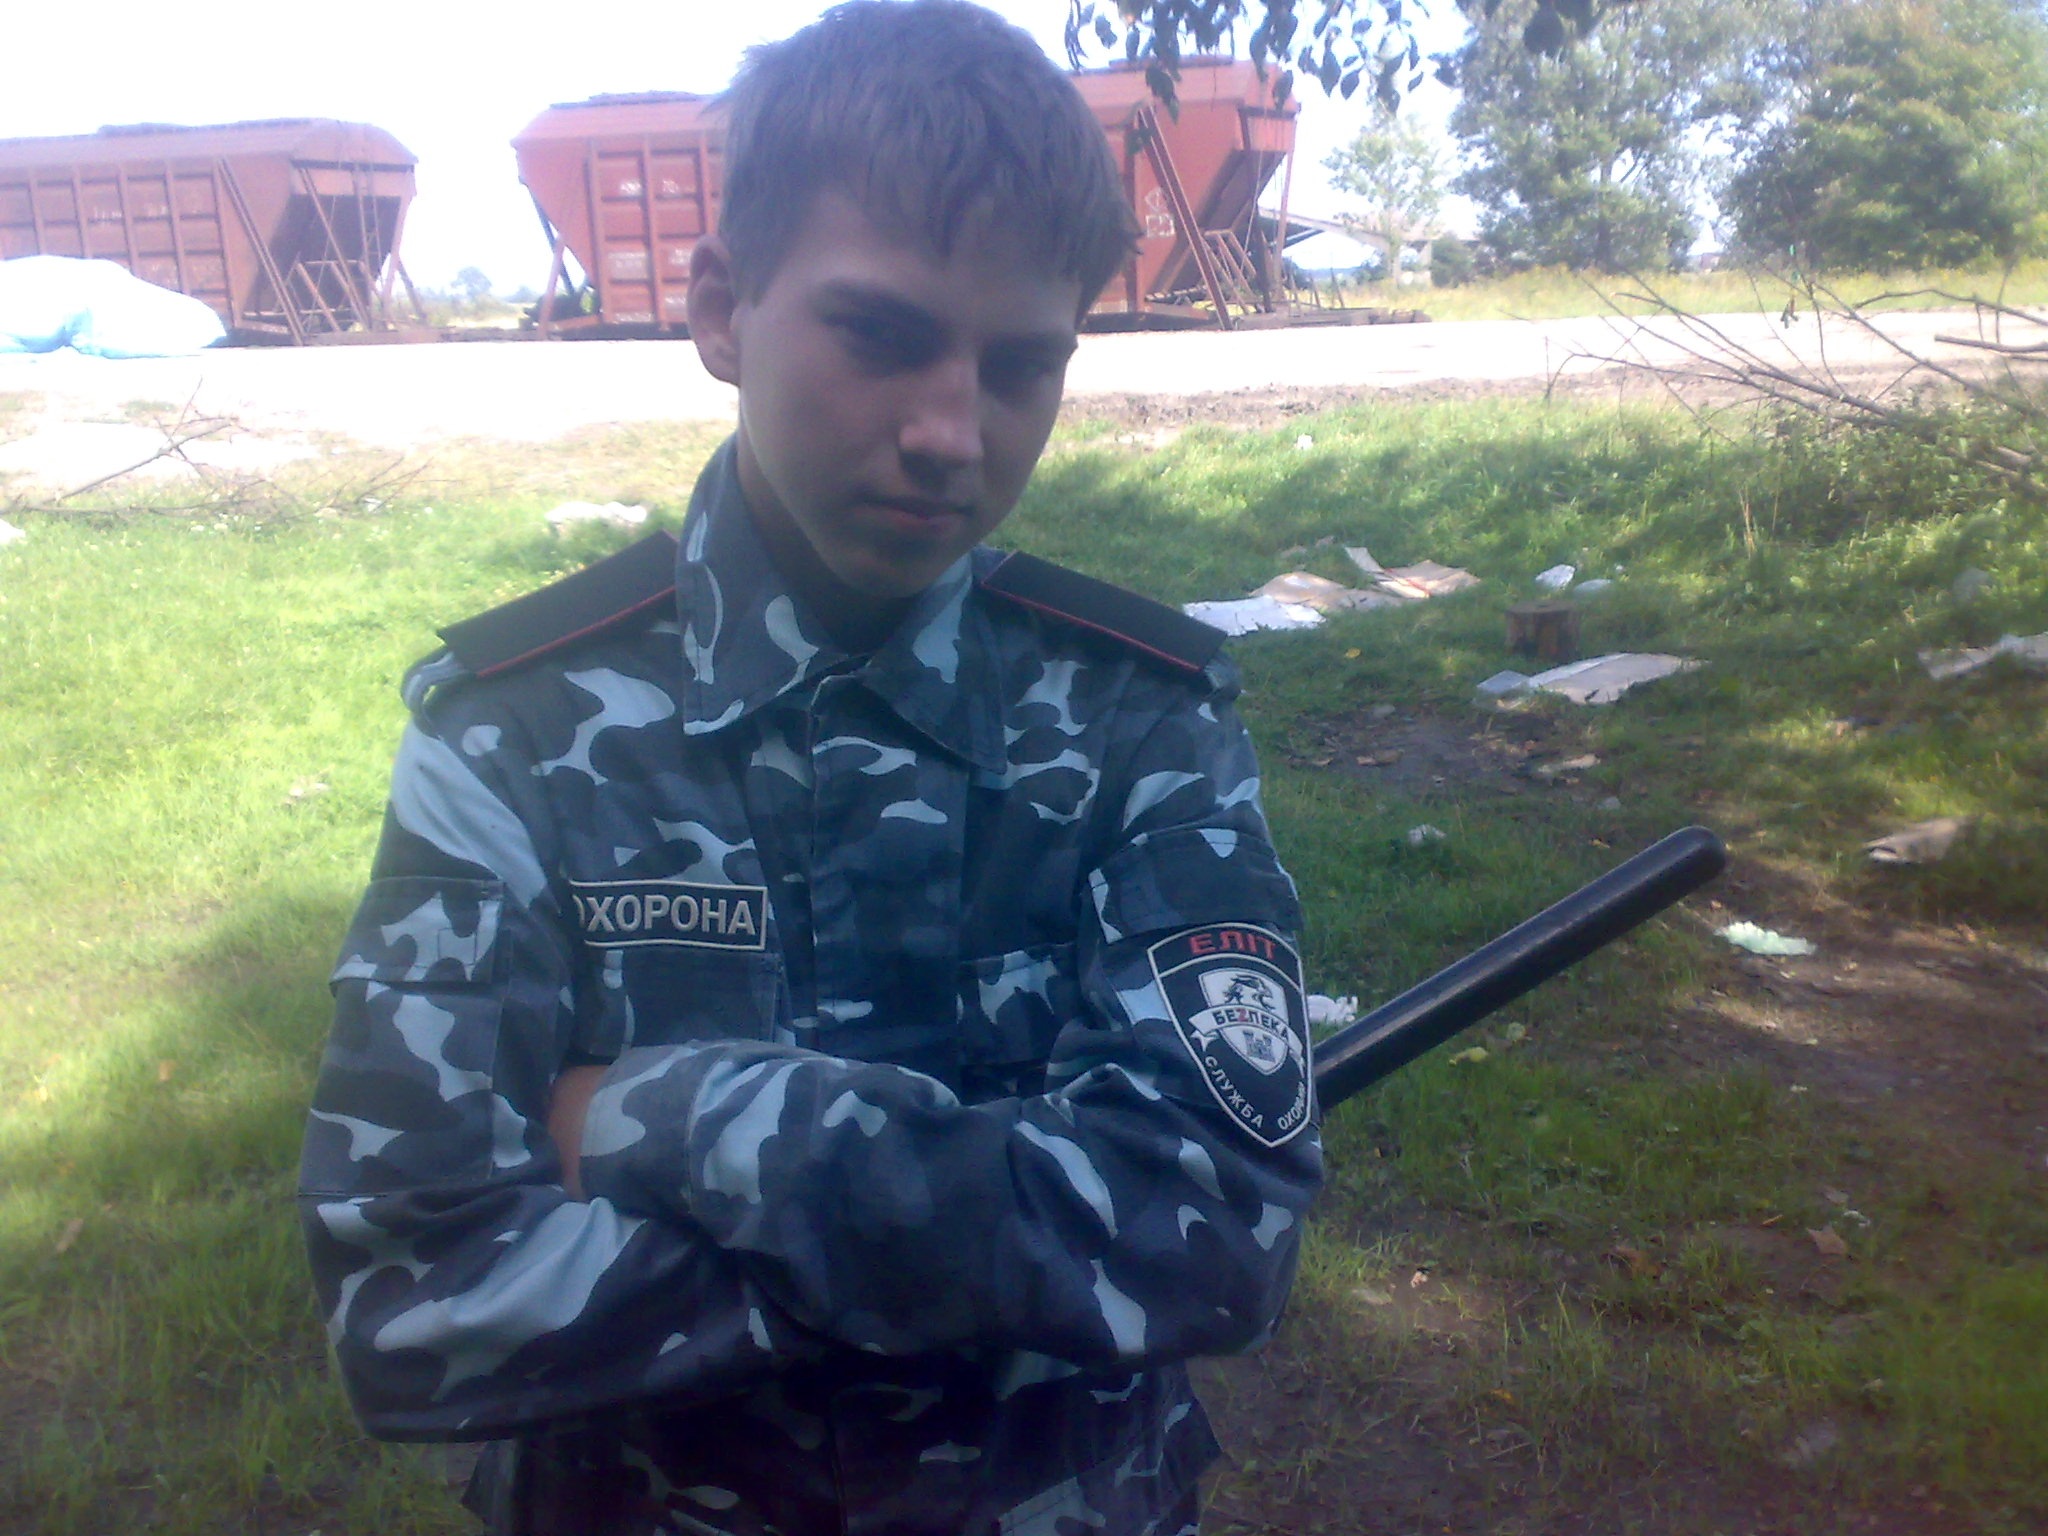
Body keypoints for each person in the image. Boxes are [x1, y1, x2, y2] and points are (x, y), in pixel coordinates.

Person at [298, 4, 1322, 1531]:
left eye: (1021, 366)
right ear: (723, 310)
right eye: (883, 336)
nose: (951, 432)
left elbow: (1217, 1240)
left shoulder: (1139, 719)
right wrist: (1007, 1253)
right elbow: (411, 1301)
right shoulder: (516, 733)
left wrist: (670, 1117)